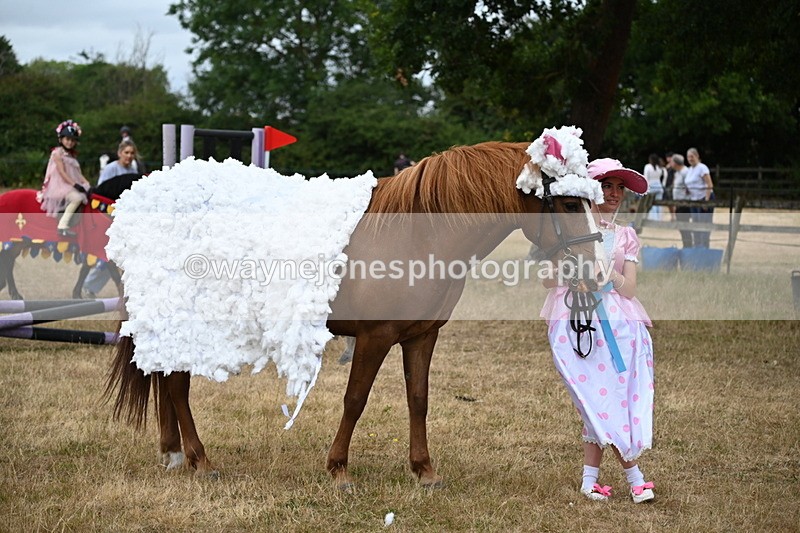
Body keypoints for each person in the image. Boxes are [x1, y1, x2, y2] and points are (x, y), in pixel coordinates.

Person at [541, 157, 656, 504]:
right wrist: (573, 269)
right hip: (579, 323)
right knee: (596, 400)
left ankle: (589, 481)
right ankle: (635, 478)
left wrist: (610, 275)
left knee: (607, 401)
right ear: (590, 190)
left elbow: (629, 288)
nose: (615, 193)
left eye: (620, 188)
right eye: (607, 186)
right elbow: (547, 278)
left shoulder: (625, 236)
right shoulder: (570, 232)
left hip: (621, 325)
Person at [83, 139, 143, 298]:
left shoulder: (133, 169)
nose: (129, 156)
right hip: (108, 216)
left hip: (126, 217)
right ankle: (89, 287)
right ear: (119, 153)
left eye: (132, 153)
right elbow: (101, 193)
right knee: (110, 253)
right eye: (126, 152)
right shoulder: (111, 169)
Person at [38, 120, 91, 238]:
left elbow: (77, 173)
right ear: (61, 139)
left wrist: (86, 182)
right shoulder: (57, 153)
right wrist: (75, 184)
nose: (70, 142)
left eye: (72, 140)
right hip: (60, 185)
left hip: (69, 184)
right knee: (77, 198)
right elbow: (62, 172)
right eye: (67, 139)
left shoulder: (72, 156)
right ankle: (62, 226)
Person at [685, 147, 715, 248]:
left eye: (692, 156)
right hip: (694, 200)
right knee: (695, 224)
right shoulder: (690, 170)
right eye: (688, 157)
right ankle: (697, 246)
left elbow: (709, 184)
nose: (690, 159)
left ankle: (704, 247)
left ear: (697, 156)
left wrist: (706, 201)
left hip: (704, 198)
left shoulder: (702, 168)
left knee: (704, 224)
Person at [670, 154, 693, 248]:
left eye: (672, 161)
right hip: (678, 203)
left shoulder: (685, 172)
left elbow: (690, 187)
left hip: (684, 203)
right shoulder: (678, 172)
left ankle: (688, 246)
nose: (670, 163)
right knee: (681, 226)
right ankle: (686, 245)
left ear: (676, 163)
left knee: (684, 226)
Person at [643, 153, 665, 220]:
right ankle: (659, 218)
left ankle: (654, 218)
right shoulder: (660, 167)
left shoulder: (647, 166)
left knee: (651, 203)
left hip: (651, 187)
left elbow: (646, 178)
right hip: (659, 187)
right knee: (658, 204)